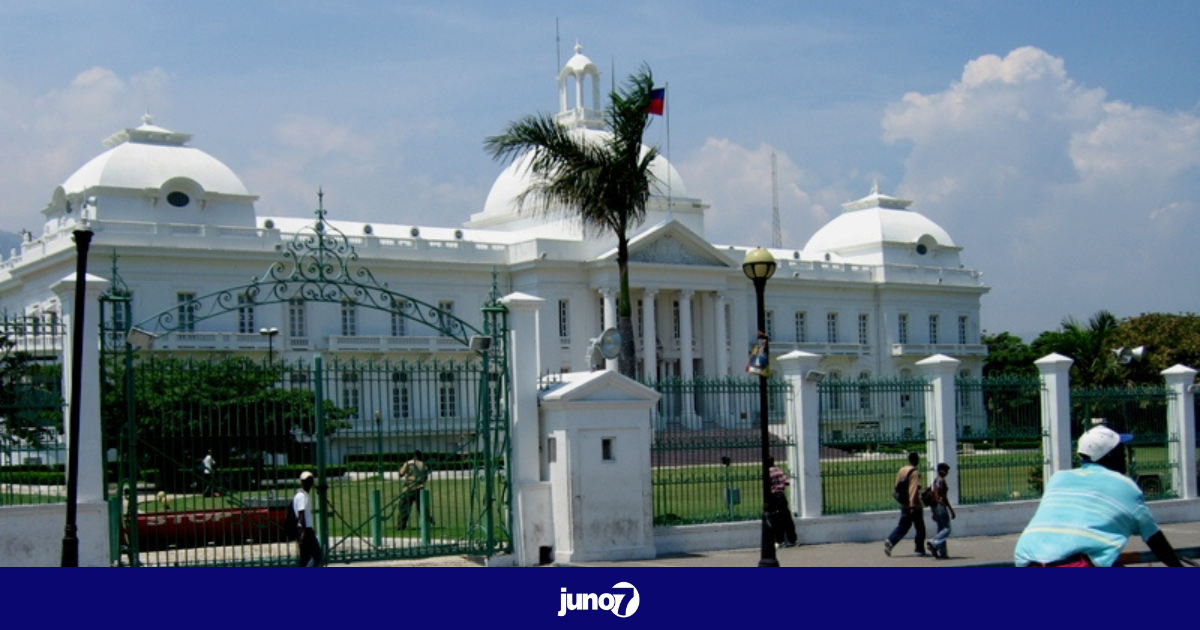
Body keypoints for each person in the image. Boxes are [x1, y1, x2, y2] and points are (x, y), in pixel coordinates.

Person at [1014, 425, 1183, 567]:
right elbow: (1155, 540)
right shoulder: (1125, 486)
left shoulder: (1058, 478)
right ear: (1110, 456)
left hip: (1027, 562)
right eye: (1121, 450)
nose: (1125, 456)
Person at [884, 451, 926, 557]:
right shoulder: (914, 472)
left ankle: (891, 540)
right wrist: (913, 504)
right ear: (916, 460)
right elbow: (913, 489)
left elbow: (898, 486)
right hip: (913, 505)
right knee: (920, 528)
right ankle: (919, 549)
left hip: (903, 502)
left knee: (903, 526)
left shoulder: (902, 470)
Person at [926, 462, 956, 559]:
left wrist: (933, 513)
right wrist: (951, 510)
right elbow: (943, 497)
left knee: (941, 529)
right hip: (941, 506)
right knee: (947, 528)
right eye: (945, 470)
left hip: (934, 507)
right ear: (940, 471)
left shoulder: (934, 481)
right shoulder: (942, 481)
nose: (946, 472)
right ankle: (934, 542)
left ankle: (942, 552)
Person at [766, 457, 798, 548]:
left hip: (773, 496)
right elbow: (786, 483)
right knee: (786, 517)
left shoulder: (768, 472)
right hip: (781, 495)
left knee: (775, 518)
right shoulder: (779, 470)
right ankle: (793, 539)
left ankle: (780, 540)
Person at [397, 450, 432, 530]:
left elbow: (401, 474)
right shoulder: (423, 464)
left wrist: (400, 469)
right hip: (420, 488)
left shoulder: (409, 463)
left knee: (404, 508)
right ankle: (426, 524)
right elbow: (425, 477)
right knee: (421, 508)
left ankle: (401, 526)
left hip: (409, 488)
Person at [294, 471, 323, 567]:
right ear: (302, 482)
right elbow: (300, 513)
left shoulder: (301, 495)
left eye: (310, 480)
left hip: (304, 529)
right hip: (305, 529)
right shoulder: (302, 496)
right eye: (307, 480)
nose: (309, 483)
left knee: (305, 557)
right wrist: (303, 531)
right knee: (317, 555)